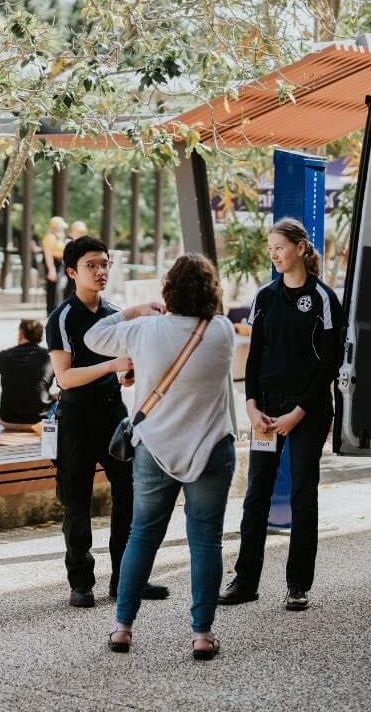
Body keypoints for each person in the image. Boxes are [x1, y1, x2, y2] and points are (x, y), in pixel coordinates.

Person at [85, 254, 237, 660]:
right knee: (205, 541)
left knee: (143, 536)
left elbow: (93, 338)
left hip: (154, 449)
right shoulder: (221, 330)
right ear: (210, 290)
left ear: (168, 290)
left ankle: (122, 628)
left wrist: (133, 310)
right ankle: (202, 635)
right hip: (210, 451)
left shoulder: (144, 330)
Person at [220, 218, 343, 612]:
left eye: (280, 247)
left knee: (303, 495)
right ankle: (245, 580)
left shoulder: (323, 297)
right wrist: (252, 404)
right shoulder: (265, 297)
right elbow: (254, 357)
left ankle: (297, 584)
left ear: (301, 249)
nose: (274, 254)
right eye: (270, 248)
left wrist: (299, 412)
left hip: (307, 410)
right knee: (256, 493)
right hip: (266, 414)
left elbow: (330, 364)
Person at [46, 235, 168, 608]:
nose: (100, 272)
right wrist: (112, 365)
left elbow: (123, 363)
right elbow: (64, 378)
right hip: (76, 420)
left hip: (114, 415)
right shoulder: (62, 318)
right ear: (71, 271)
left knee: (130, 497)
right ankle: (81, 583)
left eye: (105, 264)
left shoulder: (113, 312)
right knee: (76, 503)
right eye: (91, 266)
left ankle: (125, 580)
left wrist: (124, 374)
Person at [42, 216, 69, 314]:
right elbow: (48, 254)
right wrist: (51, 269)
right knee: (52, 288)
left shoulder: (59, 238)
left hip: (59, 263)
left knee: (57, 288)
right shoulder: (49, 237)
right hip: (52, 263)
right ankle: (51, 310)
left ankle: (56, 309)